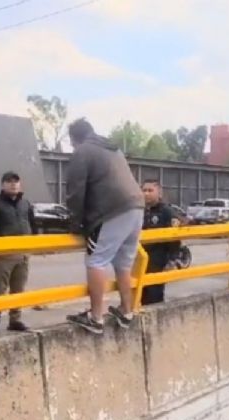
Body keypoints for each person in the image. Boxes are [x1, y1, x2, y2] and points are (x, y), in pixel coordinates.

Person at [63, 118, 145, 334]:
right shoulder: (113, 150)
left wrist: (76, 223)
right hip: (137, 208)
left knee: (96, 260)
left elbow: (75, 192)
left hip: (112, 210)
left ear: (74, 139)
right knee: (123, 263)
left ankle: (95, 317)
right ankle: (127, 311)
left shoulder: (83, 151)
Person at [0, 171, 37, 336]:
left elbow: (32, 225)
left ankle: (15, 320)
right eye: (9, 181)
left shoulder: (25, 203)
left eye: (16, 182)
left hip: (23, 254)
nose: (13, 184)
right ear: (3, 185)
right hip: (4, 255)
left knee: (18, 289)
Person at [140, 179, 183, 305]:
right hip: (141, 260)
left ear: (159, 194)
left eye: (150, 190)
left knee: (155, 295)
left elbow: (176, 236)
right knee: (141, 294)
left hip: (158, 260)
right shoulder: (140, 211)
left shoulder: (166, 211)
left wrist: (173, 259)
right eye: (144, 190)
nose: (146, 193)